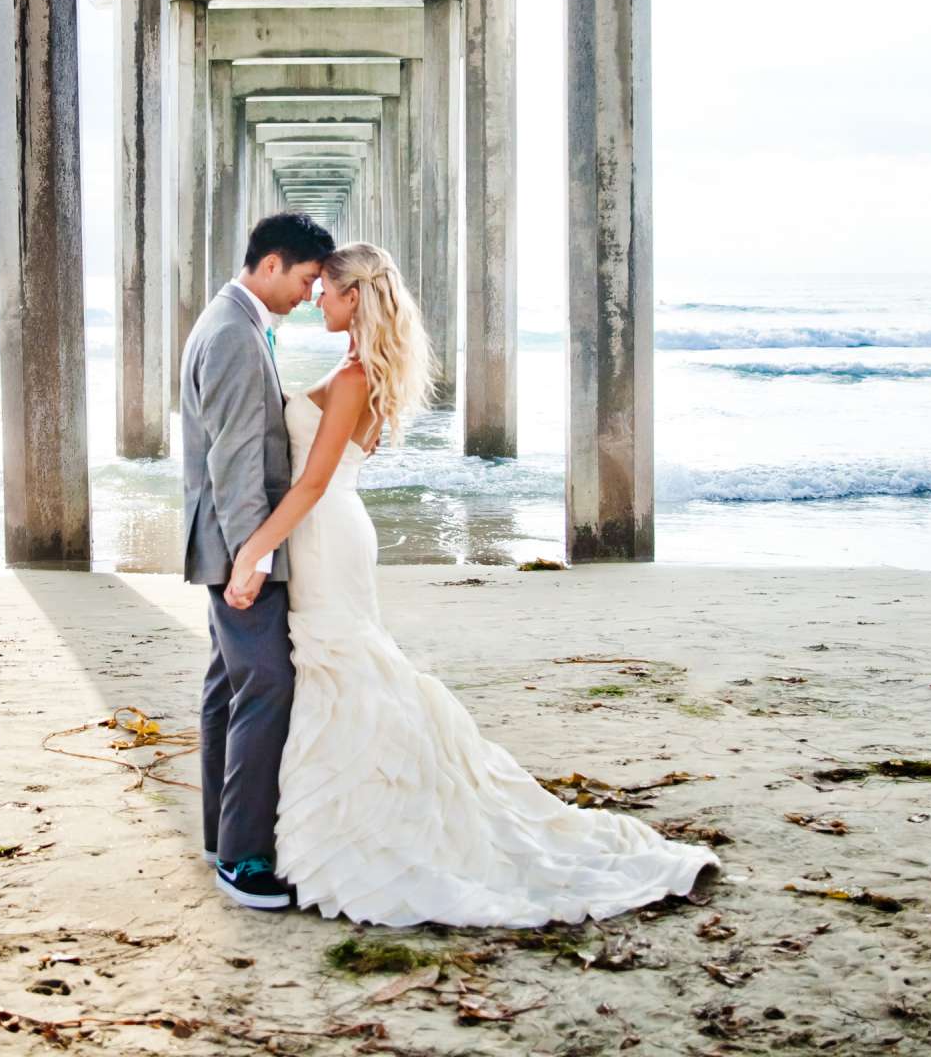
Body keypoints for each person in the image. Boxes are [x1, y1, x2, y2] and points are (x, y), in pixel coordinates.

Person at [223, 242, 720, 927]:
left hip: (325, 532)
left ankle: (368, 821)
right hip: (338, 526)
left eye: (327, 291)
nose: (317, 299)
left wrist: (252, 550)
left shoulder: (350, 378)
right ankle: (344, 810)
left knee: (340, 664)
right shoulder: (358, 370)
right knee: (343, 665)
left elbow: (310, 482)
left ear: (355, 298)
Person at [179, 211, 335, 910]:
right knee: (267, 686)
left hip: (226, 542)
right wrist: (255, 557)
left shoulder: (231, 321)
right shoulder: (236, 334)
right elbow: (236, 461)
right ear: (270, 264)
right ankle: (243, 859)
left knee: (229, 685)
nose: (309, 294)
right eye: (305, 280)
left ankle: (219, 834)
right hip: (238, 545)